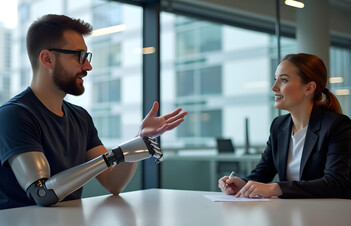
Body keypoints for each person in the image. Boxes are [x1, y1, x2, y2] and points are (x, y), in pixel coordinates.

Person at [0, 14, 187, 210]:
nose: (88, 66)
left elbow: (113, 183)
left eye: (87, 57)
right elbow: (43, 193)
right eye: (79, 56)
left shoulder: (80, 117)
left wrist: (138, 140)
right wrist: (115, 155)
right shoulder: (13, 116)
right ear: (47, 59)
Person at [218, 53, 351, 199]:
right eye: (275, 80)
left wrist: (276, 188)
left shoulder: (337, 126)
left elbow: (334, 183)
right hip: (290, 213)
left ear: (309, 88)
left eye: (283, 80)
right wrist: (243, 184)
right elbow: (262, 173)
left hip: (327, 215)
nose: (274, 87)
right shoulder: (279, 125)